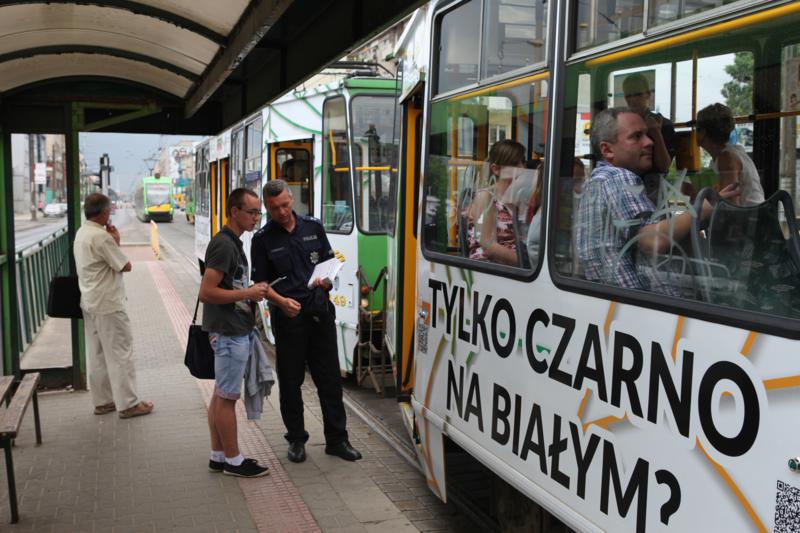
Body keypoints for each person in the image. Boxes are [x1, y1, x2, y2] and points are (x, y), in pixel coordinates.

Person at [251, 179, 362, 464]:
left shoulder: (313, 226)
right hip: (289, 317)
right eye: (275, 208)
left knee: (330, 381)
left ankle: (337, 440)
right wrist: (280, 302)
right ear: (267, 207)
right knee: (291, 382)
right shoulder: (262, 239)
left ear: (292, 199)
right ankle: (297, 440)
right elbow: (261, 285)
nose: (282, 212)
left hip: (320, 313)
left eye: (286, 205)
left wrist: (327, 281)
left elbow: (329, 263)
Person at [575, 108, 739, 293]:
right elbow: (651, 240)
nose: (649, 141)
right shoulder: (617, 178)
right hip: (644, 307)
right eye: (637, 136)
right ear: (607, 149)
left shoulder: (597, 182)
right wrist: (703, 209)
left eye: (647, 134)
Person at [199, 188, 270, 478]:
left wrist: (248, 293)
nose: (256, 217)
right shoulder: (225, 245)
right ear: (234, 212)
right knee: (228, 398)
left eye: (258, 212)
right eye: (252, 212)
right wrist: (248, 292)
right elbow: (207, 292)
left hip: (231, 329)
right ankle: (234, 460)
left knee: (219, 395)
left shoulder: (233, 242)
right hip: (228, 333)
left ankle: (218, 456)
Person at [73, 193, 153, 419]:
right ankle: (128, 404)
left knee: (97, 354)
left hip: (89, 301)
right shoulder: (101, 237)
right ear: (105, 212)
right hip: (108, 303)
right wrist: (116, 241)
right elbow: (124, 265)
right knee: (120, 353)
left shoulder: (82, 233)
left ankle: (103, 401)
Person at [467, 140, 528, 266]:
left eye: (523, 162)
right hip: (492, 271)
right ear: (496, 169)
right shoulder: (485, 197)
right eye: (515, 164)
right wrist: (531, 265)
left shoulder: (521, 199)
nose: (522, 168)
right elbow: (488, 247)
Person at [696, 103, 765, 206]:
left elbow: (729, 204)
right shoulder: (728, 154)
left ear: (703, 133)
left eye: (697, 129)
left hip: (750, 220)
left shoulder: (727, 159)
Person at [623, 74, 678, 201]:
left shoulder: (663, 124)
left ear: (647, 94)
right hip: (626, 187)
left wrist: (656, 134)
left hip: (654, 191)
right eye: (628, 96)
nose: (632, 100)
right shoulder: (622, 125)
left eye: (637, 94)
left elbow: (664, 166)